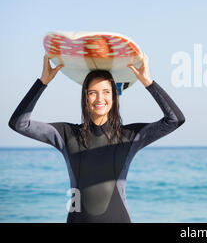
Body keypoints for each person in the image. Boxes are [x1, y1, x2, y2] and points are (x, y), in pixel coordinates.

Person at [9, 53, 185, 223]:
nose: (100, 98)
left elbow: (175, 120)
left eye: (106, 92)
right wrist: (42, 82)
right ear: (85, 97)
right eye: (93, 92)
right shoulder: (66, 134)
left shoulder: (130, 136)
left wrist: (148, 82)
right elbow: (19, 124)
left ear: (114, 97)